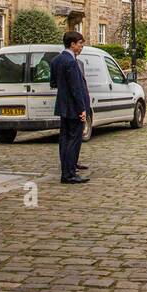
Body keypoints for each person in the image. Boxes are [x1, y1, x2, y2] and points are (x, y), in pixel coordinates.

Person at [50, 31, 92, 184]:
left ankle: (68, 167)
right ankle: (68, 174)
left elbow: (53, 83)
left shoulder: (56, 60)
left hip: (63, 105)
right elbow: (76, 88)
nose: (82, 47)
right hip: (73, 107)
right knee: (74, 140)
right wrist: (82, 109)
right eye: (80, 43)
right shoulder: (71, 62)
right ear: (72, 44)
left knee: (65, 139)